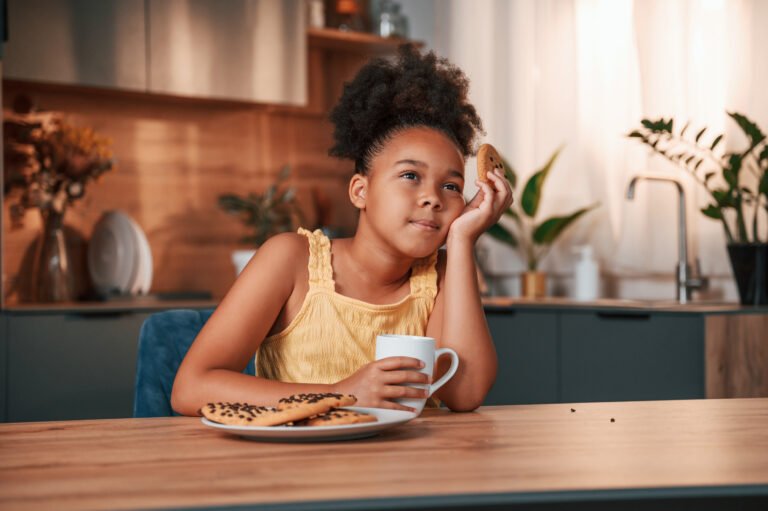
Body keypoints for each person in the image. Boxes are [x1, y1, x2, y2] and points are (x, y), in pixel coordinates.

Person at [171, 45, 513, 415]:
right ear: (360, 191)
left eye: (450, 186)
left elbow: (465, 395)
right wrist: (339, 393)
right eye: (410, 176)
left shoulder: (441, 276)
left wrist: (462, 241)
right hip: (297, 468)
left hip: (409, 470)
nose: (433, 197)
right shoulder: (290, 260)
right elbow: (191, 388)